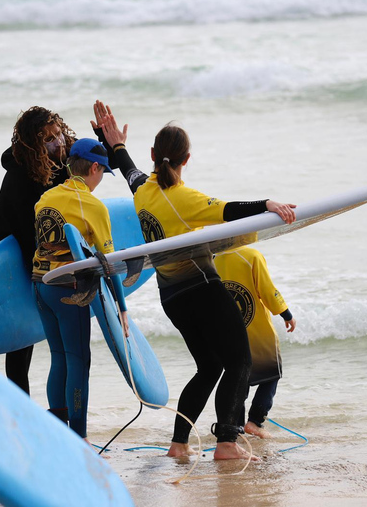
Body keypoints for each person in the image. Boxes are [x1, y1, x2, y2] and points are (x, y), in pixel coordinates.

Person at [92, 103, 296, 460]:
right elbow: (231, 210)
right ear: (186, 159)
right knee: (239, 361)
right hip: (203, 290)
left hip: (171, 297)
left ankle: (178, 444)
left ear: (154, 155)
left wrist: (115, 145)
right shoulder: (184, 198)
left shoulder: (143, 191)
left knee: (209, 367)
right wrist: (268, 203)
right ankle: (228, 444)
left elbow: (129, 170)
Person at [31, 138, 128, 439]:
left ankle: (59, 431)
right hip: (69, 289)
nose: (101, 180)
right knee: (77, 359)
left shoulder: (45, 198)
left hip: (40, 285)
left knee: (58, 355)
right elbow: (109, 262)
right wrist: (122, 308)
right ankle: (80, 436)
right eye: (103, 172)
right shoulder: (93, 207)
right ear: (94, 167)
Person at [0, 106, 75, 395]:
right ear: (35, 146)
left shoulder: (61, 162)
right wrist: (42, 277)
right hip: (8, 259)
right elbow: (24, 233)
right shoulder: (19, 180)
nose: (57, 141)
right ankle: (19, 403)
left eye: (58, 133)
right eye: (48, 138)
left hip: (40, 251)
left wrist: (109, 144)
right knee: (21, 338)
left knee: (37, 335)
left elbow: (91, 169)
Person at [214, 247, 296, 439]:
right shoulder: (251, 256)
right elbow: (267, 290)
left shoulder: (213, 258)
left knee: (238, 376)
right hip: (256, 328)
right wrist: (286, 313)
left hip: (227, 330)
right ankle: (255, 422)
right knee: (272, 372)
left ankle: (237, 427)